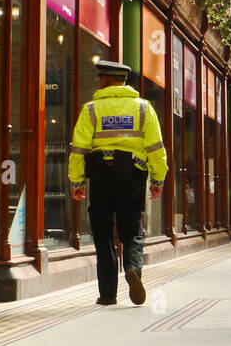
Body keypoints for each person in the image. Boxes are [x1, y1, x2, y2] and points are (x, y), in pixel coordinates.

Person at [69, 61, 167, 306]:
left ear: (104, 81)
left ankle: (107, 294)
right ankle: (133, 268)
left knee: (103, 234)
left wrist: (77, 181)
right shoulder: (144, 108)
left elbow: (79, 149)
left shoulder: (90, 110)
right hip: (131, 174)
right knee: (131, 230)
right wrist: (158, 178)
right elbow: (156, 147)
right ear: (124, 81)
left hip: (100, 175)